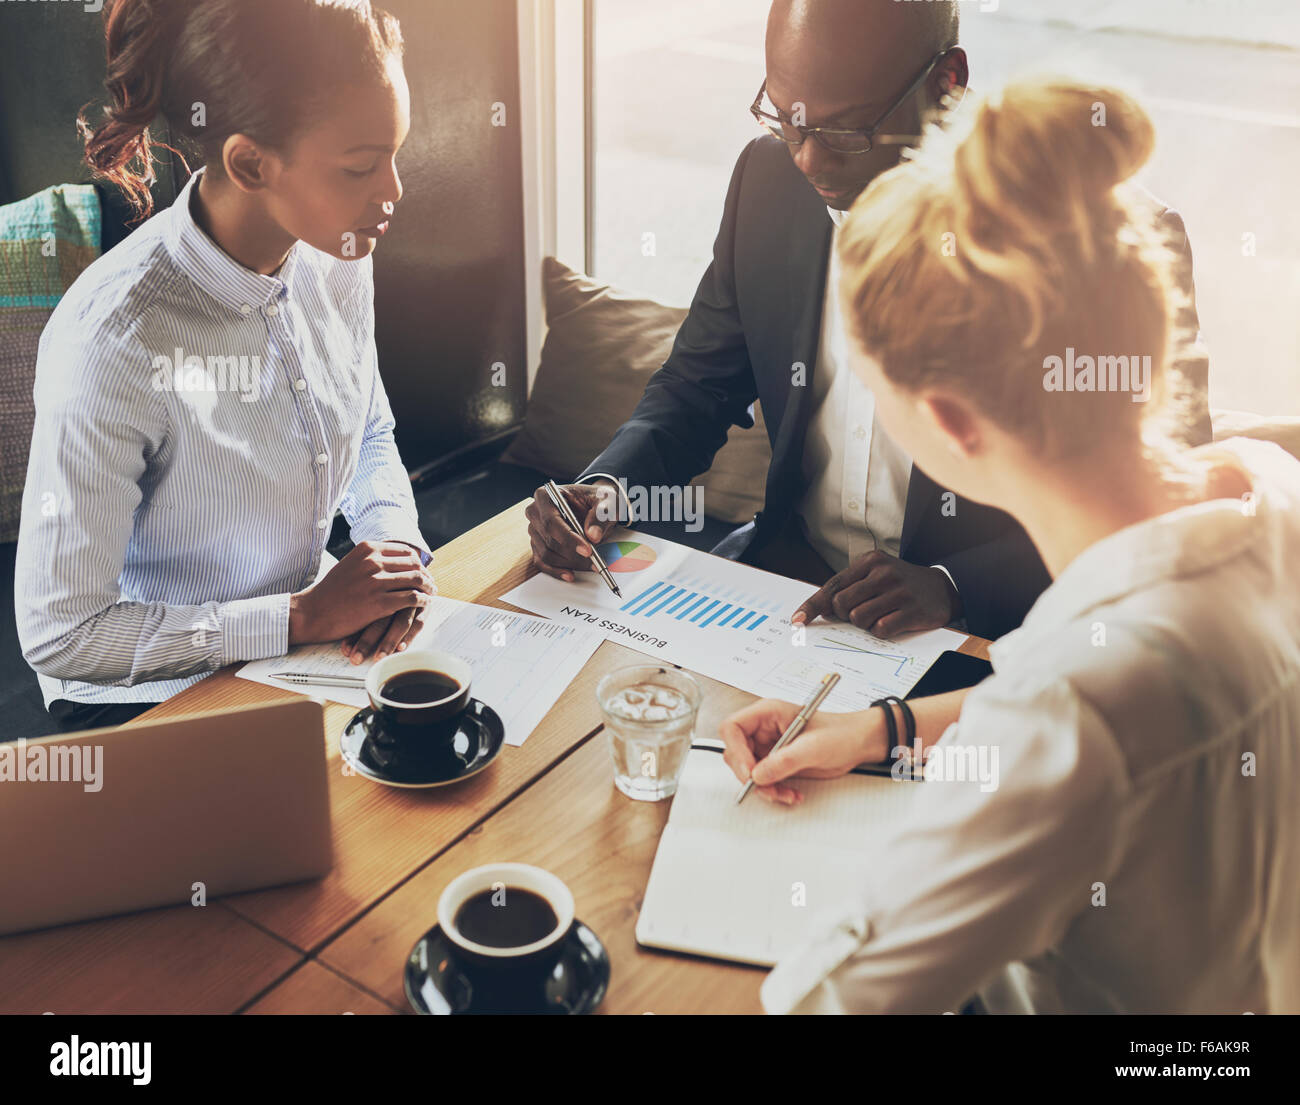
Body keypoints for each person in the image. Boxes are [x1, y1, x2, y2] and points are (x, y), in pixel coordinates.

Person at [718, 74, 1300, 1014]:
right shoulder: (1265, 494)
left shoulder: (1078, 711)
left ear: (948, 422)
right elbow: (1081, 724)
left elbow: (840, 1000)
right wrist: (882, 731)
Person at [523, 0, 1210, 642]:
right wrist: (607, 490)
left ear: (948, 81)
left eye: (845, 130)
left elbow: (1153, 494)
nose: (807, 157)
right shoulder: (768, 182)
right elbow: (696, 387)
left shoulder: (1105, 245)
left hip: (979, 632)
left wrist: (953, 585)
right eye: (786, 116)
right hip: (781, 584)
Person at [15, 0, 434, 734]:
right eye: (362, 167)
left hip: (301, 655)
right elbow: (63, 632)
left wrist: (391, 542)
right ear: (248, 162)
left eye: (395, 153)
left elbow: (368, 425)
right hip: (145, 697)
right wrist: (299, 615)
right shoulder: (114, 343)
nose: (393, 190)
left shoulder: (338, 249)